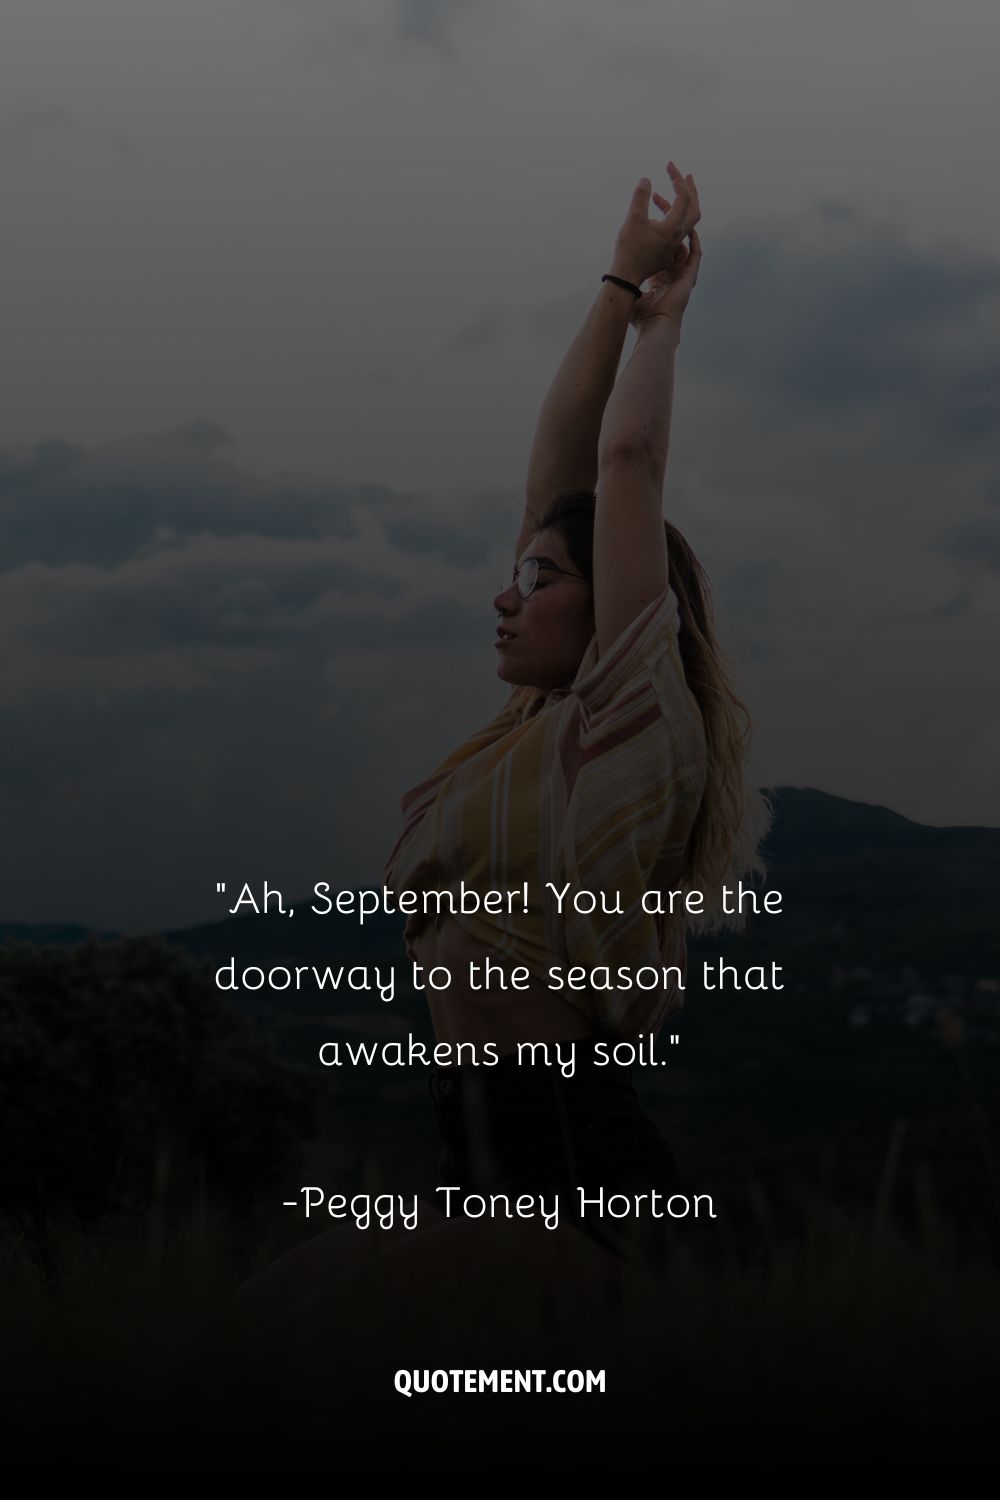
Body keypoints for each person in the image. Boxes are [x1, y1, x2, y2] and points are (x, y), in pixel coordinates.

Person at [234, 163, 770, 1337]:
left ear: (613, 610)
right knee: (248, 1334)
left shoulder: (623, 722)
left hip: (571, 1168)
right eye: (513, 574)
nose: (504, 596)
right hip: (483, 1154)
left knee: (282, 1351)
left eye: (539, 580)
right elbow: (562, 471)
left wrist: (661, 326)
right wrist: (615, 282)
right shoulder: (529, 731)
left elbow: (621, 467)